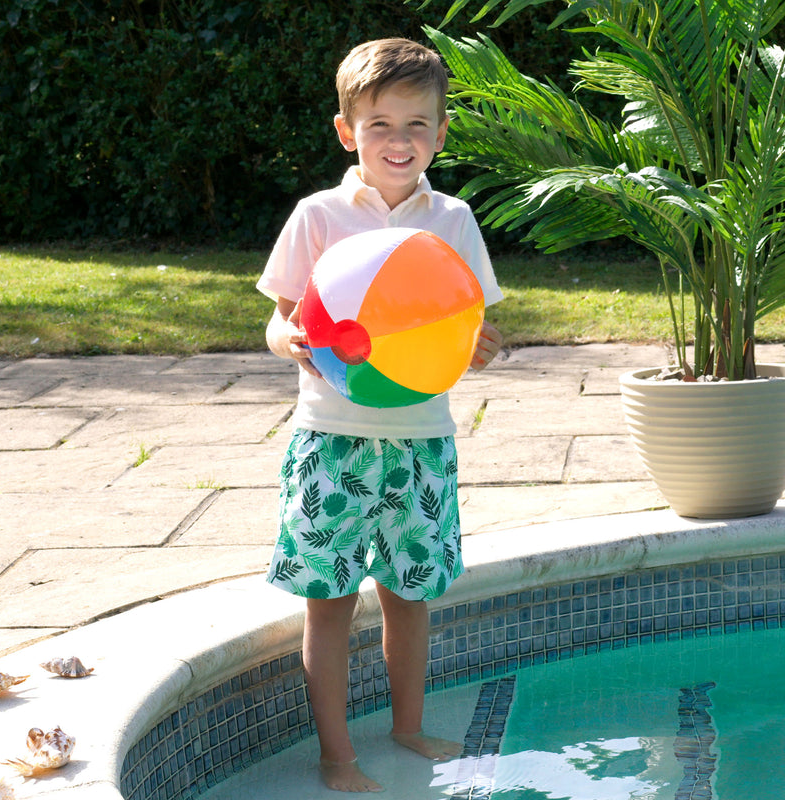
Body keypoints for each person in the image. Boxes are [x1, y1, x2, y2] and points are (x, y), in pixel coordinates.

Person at [257, 37, 504, 793]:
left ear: (441, 130)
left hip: (422, 442)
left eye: (417, 126)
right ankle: (337, 753)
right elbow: (278, 321)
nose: (400, 143)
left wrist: (482, 348)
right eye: (380, 126)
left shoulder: (452, 219)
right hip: (332, 440)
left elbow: (473, 329)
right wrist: (291, 338)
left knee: (410, 596)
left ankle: (405, 724)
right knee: (328, 603)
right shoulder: (319, 215)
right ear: (347, 132)